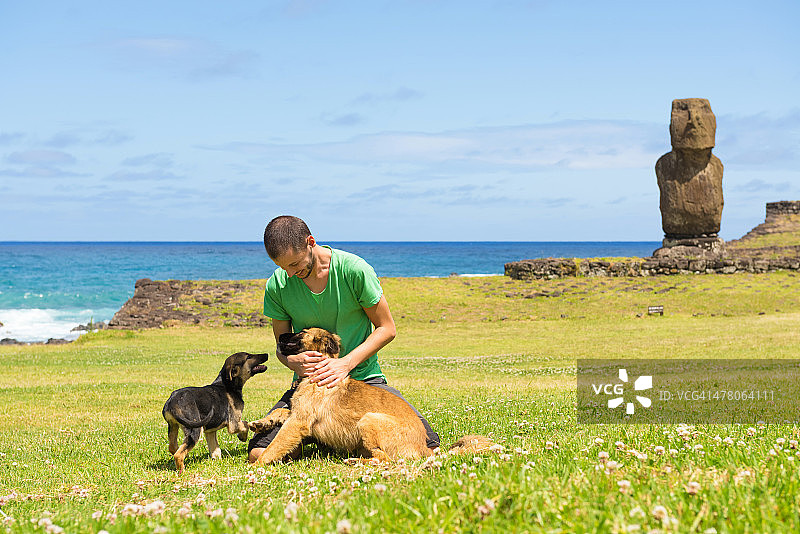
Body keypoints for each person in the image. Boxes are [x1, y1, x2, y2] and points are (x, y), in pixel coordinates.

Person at [247, 215, 440, 463]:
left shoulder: (354, 270)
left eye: (295, 264)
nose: (291, 274)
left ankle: (339, 439)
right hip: (312, 389)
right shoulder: (277, 284)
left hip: (363, 382)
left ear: (310, 242)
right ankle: (328, 436)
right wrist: (293, 363)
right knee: (258, 455)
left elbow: (387, 328)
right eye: (284, 268)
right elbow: (282, 347)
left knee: (427, 447)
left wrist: (344, 364)